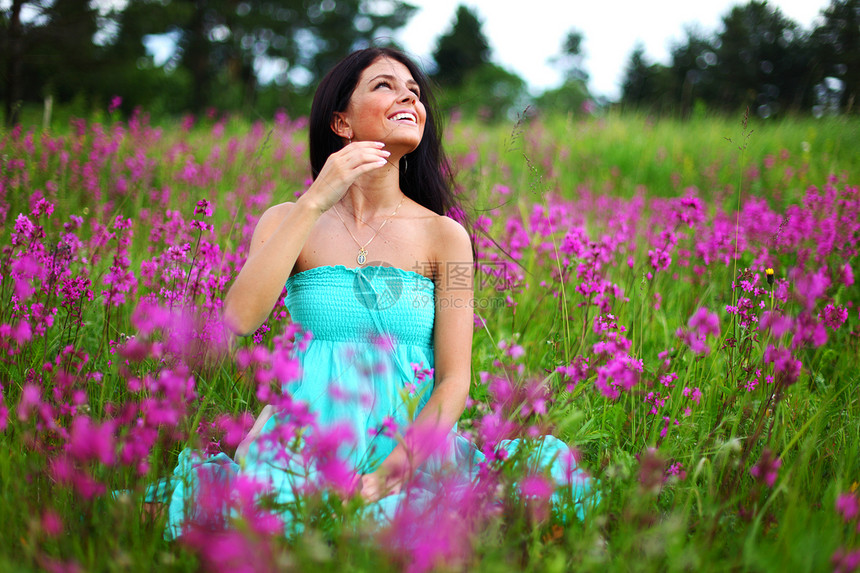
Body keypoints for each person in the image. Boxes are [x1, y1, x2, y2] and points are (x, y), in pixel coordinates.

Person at [154, 47, 596, 538]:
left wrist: (388, 476)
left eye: (414, 90)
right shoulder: (287, 219)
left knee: (398, 528)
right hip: (309, 440)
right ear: (341, 123)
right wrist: (316, 200)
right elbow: (239, 318)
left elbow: (454, 381)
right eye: (385, 85)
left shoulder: (445, 238)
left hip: (407, 449)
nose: (408, 95)